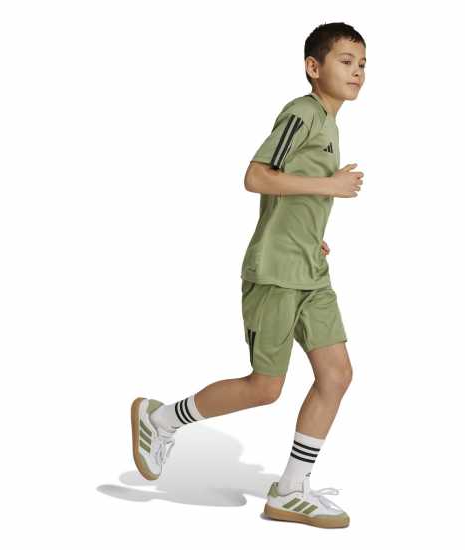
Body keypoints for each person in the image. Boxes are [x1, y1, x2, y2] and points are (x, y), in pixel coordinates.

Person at [131, 22, 366, 529]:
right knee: (264, 387)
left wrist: (311, 233)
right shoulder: (301, 113)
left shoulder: (329, 123)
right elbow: (256, 176)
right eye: (346, 61)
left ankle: (291, 490)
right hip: (276, 272)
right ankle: (161, 418)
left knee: (337, 375)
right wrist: (329, 185)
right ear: (313, 67)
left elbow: (290, 195)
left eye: (363, 64)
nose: (358, 72)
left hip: (310, 270)